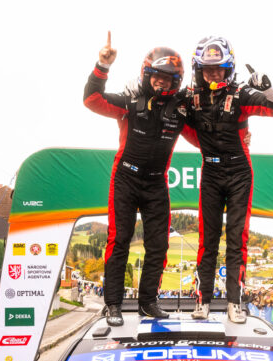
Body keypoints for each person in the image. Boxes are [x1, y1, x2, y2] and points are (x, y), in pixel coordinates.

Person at [84, 32, 195, 326]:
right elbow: (92, 100)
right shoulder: (130, 100)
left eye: (169, 78)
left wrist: (241, 137)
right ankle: (113, 305)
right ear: (146, 75)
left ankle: (148, 302)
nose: (162, 82)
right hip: (126, 179)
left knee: (158, 245)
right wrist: (102, 66)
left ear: (177, 82)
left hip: (157, 183)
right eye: (157, 76)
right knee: (119, 240)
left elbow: (202, 139)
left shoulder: (180, 109)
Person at [187, 36, 273, 323]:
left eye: (219, 68)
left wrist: (268, 88)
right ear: (199, 70)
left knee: (236, 238)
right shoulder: (190, 96)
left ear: (228, 68)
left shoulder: (241, 93)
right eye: (208, 69)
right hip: (210, 172)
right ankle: (202, 300)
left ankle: (235, 301)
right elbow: (163, 111)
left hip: (240, 173)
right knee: (208, 239)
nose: (214, 73)